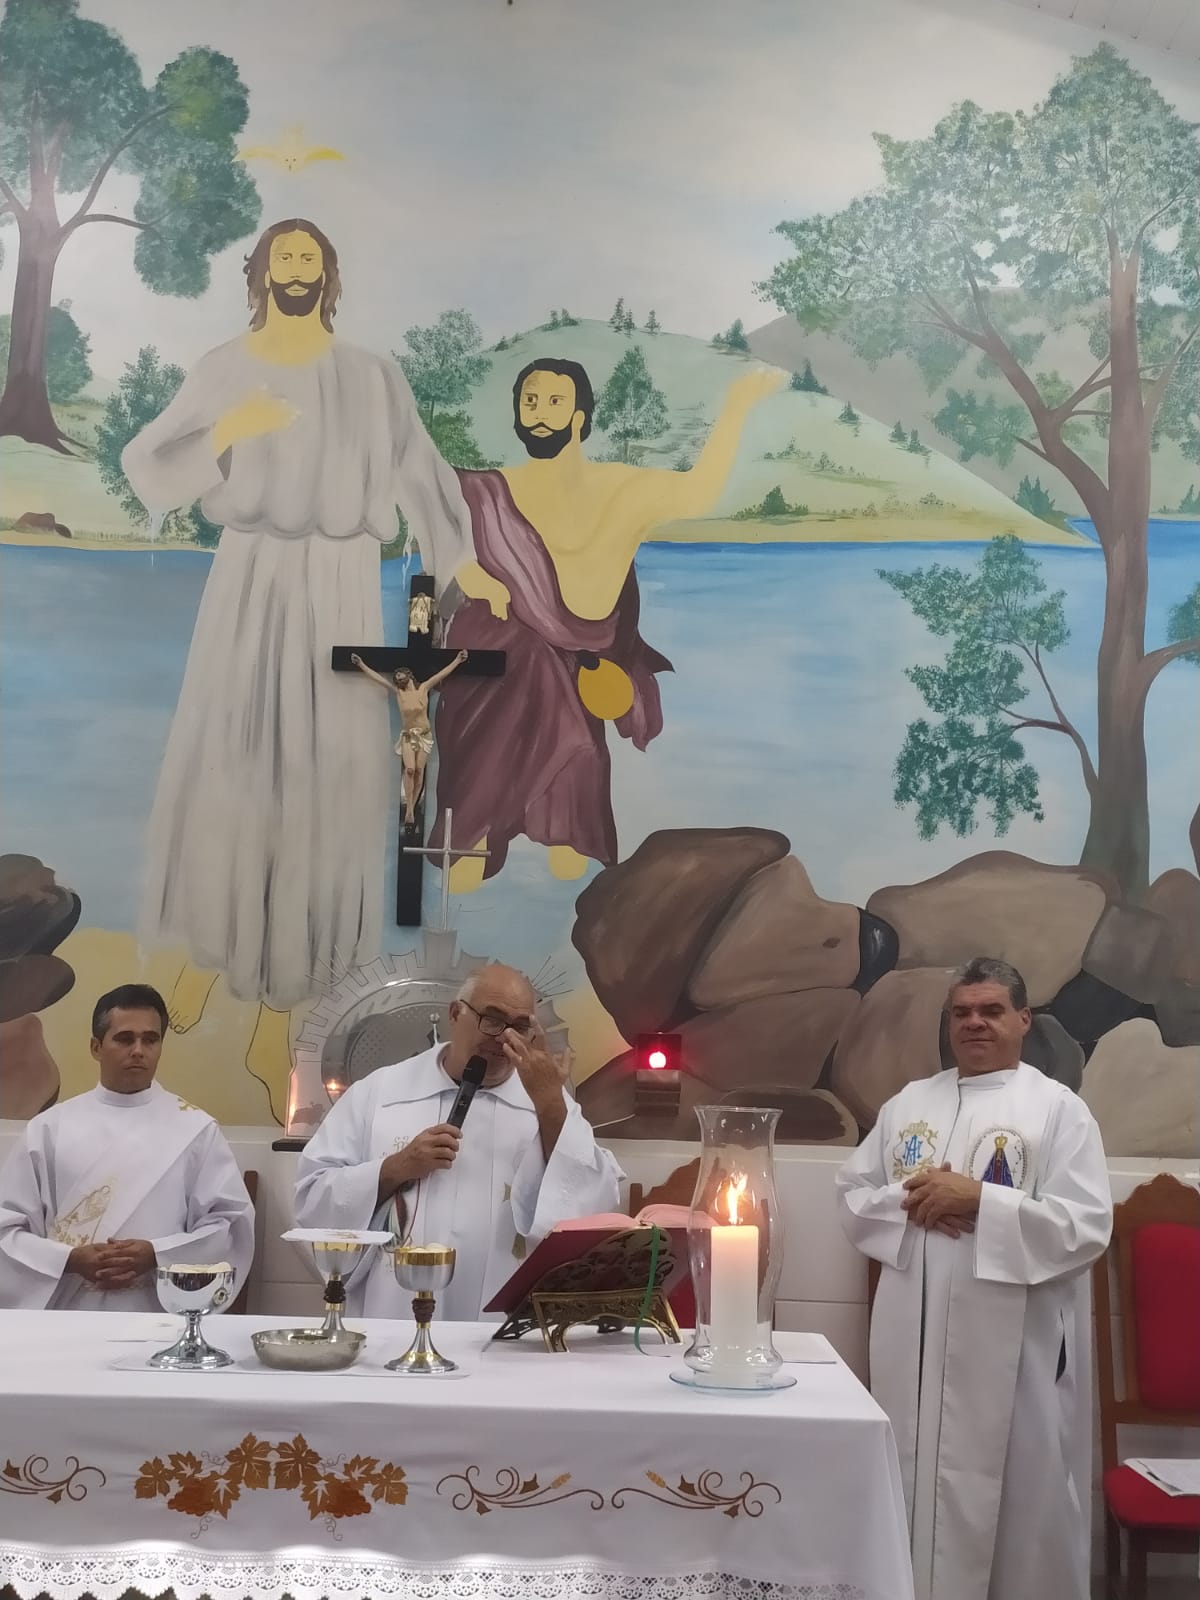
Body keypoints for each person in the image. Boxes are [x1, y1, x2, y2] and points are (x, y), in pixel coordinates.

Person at [122, 217, 486, 1107]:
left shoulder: (370, 376)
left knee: (330, 776)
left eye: (309, 258)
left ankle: (290, 1006)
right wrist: (228, 430)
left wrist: (462, 563)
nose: (295, 270)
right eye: (282, 257)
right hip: (251, 578)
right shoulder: (226, 366)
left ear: (328, 276)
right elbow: (149, 459)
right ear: (260, 273)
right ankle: (214, 952)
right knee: (236, 760)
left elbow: (421, 470)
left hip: (340, 581)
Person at [429, 357, 783, 889]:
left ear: (580, 416)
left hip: (580, 659)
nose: (540, 414)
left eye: (554, 402)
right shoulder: (484, 492)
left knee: (568, 864)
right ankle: (477, 838)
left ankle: (555, 846)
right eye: (530, 402)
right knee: (467, 860)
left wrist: (736, 407)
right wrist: (468, 571)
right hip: (495, 662)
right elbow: (430, 521)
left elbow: (699, 492)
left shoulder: (622, 488)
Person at [835, 957, 1112, 1600]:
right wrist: (920, 1199)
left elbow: (1086, 1225)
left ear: (1024, 1019)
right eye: (961, 1012)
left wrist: (984, 1201)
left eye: (990, 1010)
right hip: (912, 1345)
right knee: (909, 1470)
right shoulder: (910, 1104)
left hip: (1015, 1354)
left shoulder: (1058, 1111)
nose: (974, 1023)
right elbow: (853, 1195)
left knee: (1016, 1490)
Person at [294, 963, 623, 1320]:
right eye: (492, 1019)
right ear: (455, 1013)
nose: (503, 1038)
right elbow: (313, 1195)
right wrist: (395, 1168)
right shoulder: (380, 1093)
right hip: (395, 1315)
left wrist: (550, 1105)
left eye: (519, 1026)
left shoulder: (547, 1103)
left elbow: (594, 1204)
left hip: (499, 1321)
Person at [0, 984, 255, 1311]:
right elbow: (7, 1230)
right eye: (124, 1039)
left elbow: (229, 1227)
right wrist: (70, 1259)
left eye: (150, 1039)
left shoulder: (195, 1129)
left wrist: (157, 1254)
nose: (138, 1050)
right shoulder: (48, 1128)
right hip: (67, 1309)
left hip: (159, 1311)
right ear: (96, 1047)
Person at [350, 648, 469, 828]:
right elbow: (379, 679)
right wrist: (361, 665)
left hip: (424, 736)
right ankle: (409, 810)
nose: (397, 678)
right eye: (396, 677)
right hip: (408, 736)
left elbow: (442, 674)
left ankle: (412, 806)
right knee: (410, 770)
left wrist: (458, 660)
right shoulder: (400, 694)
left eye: (400, 675)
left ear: (409, 675)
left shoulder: (424, 688)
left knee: (419, 770)